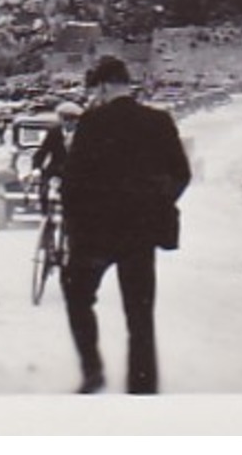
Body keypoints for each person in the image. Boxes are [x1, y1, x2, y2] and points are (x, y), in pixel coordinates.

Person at [60, 56, 191, 395]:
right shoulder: (159, 121)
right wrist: (157, 202)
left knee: (77, 294)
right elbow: (181, 174)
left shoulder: (92, 122)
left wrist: (74, 225)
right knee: (140, 315)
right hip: (141, 232)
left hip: (95, 234)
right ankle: (142, 389)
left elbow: (72, 182)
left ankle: (92, 370)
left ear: (103, 87)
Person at [33, 100, 84, 214]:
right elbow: (42, 152)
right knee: (44, 190)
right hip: (56, 170)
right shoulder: (54, 132)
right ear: (60, 119)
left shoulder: (84, 134)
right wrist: (36, 168)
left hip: (77, 172)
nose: (69, 123)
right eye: (65, 119)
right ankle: (45, 215)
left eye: (73, 119)